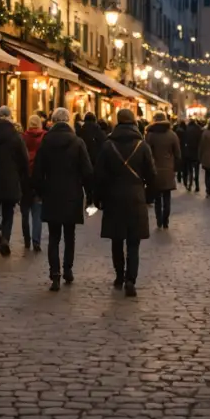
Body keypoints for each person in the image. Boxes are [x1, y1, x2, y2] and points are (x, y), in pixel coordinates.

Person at [93, 108, 156, 298]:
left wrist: (97, 199)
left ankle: (119, 275)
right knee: (133, 242)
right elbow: (151, 175)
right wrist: (149, 196)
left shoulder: (108, 145)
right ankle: (131, 279)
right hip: (136, 196)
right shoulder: (142, 145)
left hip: (113, 197)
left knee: (117, 239)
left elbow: (99, 175)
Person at [32, 107, 93, 291]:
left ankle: (55, 274)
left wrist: (41, 191)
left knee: (54, 236)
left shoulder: (46, 141)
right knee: (69, 235)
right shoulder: (77, 142)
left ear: (53, 121)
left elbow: (37, 171)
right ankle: (68, 269)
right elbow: (87, 171)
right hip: (72, 194)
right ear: (68, 121)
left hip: (52, 194)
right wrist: (89, 194)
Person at [0, 105, 29, 256]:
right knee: (8, 211)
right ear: (9, 117)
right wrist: (23, 177)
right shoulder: (15, 136)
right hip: (10, 178)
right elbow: (24, 159)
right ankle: (5, 238)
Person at [145, 111, 181, 229]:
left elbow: (146, 153)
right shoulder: (172, 134)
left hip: (154, 169)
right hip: (168, 169)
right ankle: (166, 220)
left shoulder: (150, 135)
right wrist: (176, 168)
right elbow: (177, 153)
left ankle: (159, 220)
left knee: (157, 197)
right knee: (167, 196)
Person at [21, 115, 46, 252]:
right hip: (39, 177)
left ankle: (26, 240)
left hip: (25, 177)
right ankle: (36, 241)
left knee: (25, 212)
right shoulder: (45, 137)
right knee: (37, 213)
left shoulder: (23, 137)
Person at [182, 117, 203, 193]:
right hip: (196, 152)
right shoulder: (199, 129)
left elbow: (185, 141)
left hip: (189, 152)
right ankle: (197, 185)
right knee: (196, 170)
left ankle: (190, 184)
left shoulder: (187, 129)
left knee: (190, 169)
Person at [174, 121, 188, 185]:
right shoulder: (186, 131)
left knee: (179, 163)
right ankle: (184, 178)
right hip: (184, 148)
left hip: (179, 147)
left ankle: (179, 177)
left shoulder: (177, 131)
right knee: (184, 164)